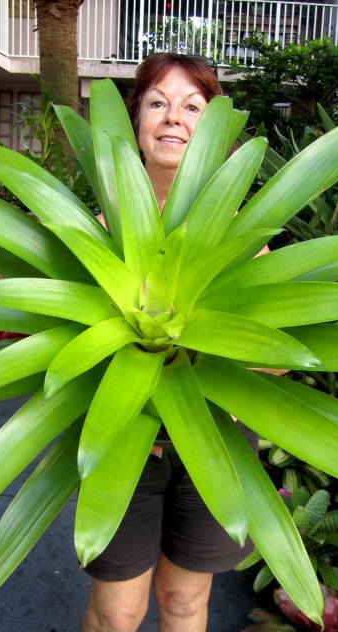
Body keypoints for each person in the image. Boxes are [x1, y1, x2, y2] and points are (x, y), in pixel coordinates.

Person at [81, 53, 255, 632]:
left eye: (192, 106)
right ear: (135, 122)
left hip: (210, 439)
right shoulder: (98, 233)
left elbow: (274, 363)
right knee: (118, 610)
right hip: (125, 441)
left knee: (183, 600)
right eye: (157, 102)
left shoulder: (242, 236)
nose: (173, 117)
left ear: (212, 130)